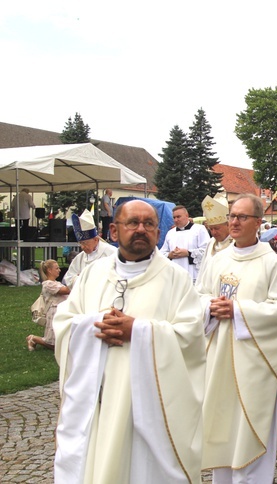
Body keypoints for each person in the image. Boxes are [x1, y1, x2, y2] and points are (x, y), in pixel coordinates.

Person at [53, 199, 206, 483]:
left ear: (158, 235)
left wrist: (137, 331)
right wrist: (94, 324)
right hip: (97, 401)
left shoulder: (176, 279)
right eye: (132, 223)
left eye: (149, 224)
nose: (141, 229)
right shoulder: (93, 275)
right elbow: (63, 322)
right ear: (113, 231)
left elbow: (191, 336)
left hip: (148, 408)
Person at [197, 193, 277, 483]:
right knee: (221, 426)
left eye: (242, 217)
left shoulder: (271, 263)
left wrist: (237, 310)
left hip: (255, 365)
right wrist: (209, 307)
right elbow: (198, 295)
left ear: (258, 222)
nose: (235, 222)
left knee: (250, 429)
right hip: (218, 361)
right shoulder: (218, 259)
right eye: (232, 216)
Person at [62, 210, 117, 289]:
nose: (82, 247)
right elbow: (68, 278)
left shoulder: (111, 253)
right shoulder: (80, 258)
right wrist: (78, 279)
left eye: (85, 243)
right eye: (80, 243)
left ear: (95, 239)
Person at [26, 259, 69, 351]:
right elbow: (66, 290)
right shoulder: (48, 284)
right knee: (53, 344)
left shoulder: (56, 283)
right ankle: (33, 338)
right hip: (54, 312)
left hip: (62, 311)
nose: (59, 270)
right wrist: (77, 281)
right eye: (56, 268)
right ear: (49, 270)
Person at [160, 205, 210, 283]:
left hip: (193, 274)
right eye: (174, 217)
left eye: (178, 216)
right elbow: (162, 253)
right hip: (175, 276)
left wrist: (188, 253)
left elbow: (207, 250)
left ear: (187, 216)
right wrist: (169, 255)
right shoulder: (170, 233)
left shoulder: (199, 229)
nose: (176, 220)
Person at [194, 194, 232, 288]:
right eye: (211, 229)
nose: (214, 232)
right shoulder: (211, 243)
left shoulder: (236, 243)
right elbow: (203, 269)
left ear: (227, 225)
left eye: (217, 228)